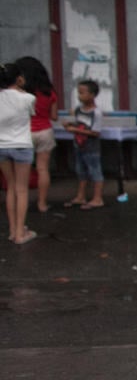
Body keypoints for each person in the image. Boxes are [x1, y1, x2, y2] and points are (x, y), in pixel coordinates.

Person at [14, 57, 57, 214]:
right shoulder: (50, 92)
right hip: (45, 132)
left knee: (20, 172)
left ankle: (20, 203)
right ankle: (42, 203)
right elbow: (54, 116)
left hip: (24, 133)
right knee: (43, 169)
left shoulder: (19, 93)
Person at [0, 62, 37, 244]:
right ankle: (20, 234)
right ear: (19, 78)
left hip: (1, 146)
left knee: (10, 188)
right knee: (22, 190)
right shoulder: (28, 98)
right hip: (22, 145)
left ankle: (13, 230)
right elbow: (31, 113)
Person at [62, 79, 105, 209]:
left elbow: (96, 132)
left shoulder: (96, 113)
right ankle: (80, 196)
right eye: (78, 92)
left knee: (95, 171)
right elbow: (78, 124)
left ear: (92, 95)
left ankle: (98, 198)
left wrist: (74, 130)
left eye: (82, 93)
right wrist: (69, 125)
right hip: (79, 145)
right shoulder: (78, 110)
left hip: (91, 148)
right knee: (81, 171)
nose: (79, 96)